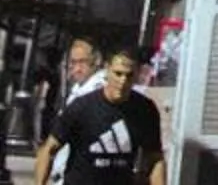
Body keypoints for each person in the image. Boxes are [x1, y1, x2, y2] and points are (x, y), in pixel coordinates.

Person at [33, 53, 162, 185]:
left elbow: (156, 158)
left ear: (137, 75)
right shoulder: (82, 107)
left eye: (129, 75)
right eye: (118, 74)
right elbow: (49, 149)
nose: (123, 81)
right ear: (107, 70)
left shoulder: (144, 110)